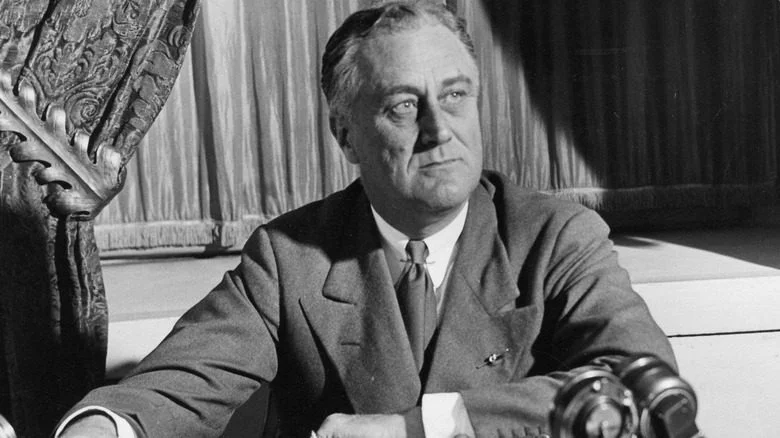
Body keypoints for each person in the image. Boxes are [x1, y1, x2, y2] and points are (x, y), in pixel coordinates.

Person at [56, 2, 675, 437]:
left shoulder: (556, 237)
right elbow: (176, 386)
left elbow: (642, 389)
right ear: (345, 135)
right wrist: (99, 429)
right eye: (405, 106)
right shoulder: (288, 257)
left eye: (456, 95)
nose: (440, 131)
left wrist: (420, 428)